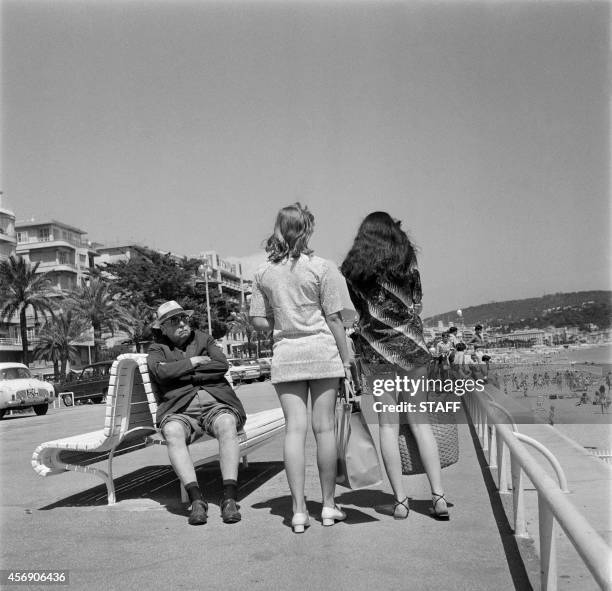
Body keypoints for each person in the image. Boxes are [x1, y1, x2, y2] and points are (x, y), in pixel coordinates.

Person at [249, 203, 352, 533]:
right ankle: (328, 506)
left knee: (295, 429)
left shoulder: (264, 273)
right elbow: (335, 318)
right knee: (324, 430)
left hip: (287, 355)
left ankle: (297, 511)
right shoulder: (322, 267)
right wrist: (347, 359)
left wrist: (282, 319)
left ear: (278, 229)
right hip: (322, 353)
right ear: (307, 230)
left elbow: (257, 321)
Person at [341, 211, 449, 521]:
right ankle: (438, 496)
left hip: (376, 355)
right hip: (412, 352)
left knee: (388, 427)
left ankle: (400, 502)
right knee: (420, 423)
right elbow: (417, 305)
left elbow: (352, 315)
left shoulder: (351, 272)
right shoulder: (408, 266)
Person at [147, 301, 247, 526]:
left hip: (216, 403)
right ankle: (196, 501)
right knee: (172, 431)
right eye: (174, 321)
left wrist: (180, 372)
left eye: (184, 318)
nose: (182, 323)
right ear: (162, 328)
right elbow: (160, 373)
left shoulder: (204, 338)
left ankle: (230, 498)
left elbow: (221, 366)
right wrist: (193, 362)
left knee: (227, 423)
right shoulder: (156, 349)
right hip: (180, 409)